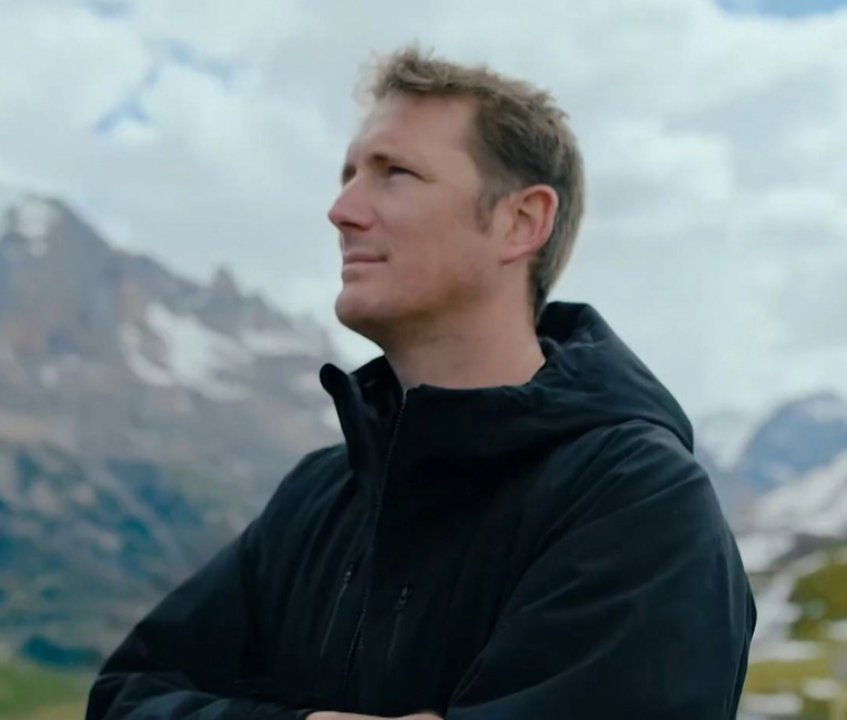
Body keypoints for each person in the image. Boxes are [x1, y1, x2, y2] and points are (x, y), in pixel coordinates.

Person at [85, 45, 756, 720]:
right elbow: (123, 699)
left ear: (521, 221)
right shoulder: (319, 495)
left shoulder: (637, 501)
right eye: (348, 174)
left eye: (394, 173)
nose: (341, 210)